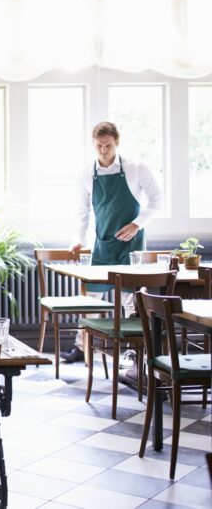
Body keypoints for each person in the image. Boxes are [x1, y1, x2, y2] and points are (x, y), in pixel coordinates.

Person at [62, 121, 163, 365]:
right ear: (93, 144)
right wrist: (78, 239)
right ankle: (80, 347)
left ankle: (135, 350)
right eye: (99, 146)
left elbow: (157, 201)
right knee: (90, 299)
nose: (104, 151)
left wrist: (137, 224)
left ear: (117, 142)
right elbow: (82, 212)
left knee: (132, 299)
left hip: (131, 245)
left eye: (108, 145)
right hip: (104, 243)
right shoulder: (86, 174)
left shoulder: (136, 168)